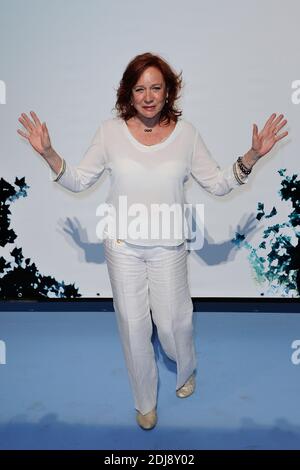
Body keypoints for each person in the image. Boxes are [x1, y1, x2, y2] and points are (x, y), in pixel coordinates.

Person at [17, 52, 288, 430]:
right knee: (132, 326)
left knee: (175, 324)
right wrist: (48, 152)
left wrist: (253, 156)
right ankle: (144, 401)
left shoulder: (187, 134)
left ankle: (186, 368)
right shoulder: (109, 132)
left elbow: (219, 183)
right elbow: (79, 180)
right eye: (140, 88)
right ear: (128, 93)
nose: (148, 96)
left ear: (168, 91)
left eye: (156, 88)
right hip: (123, 247)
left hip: (169, 247)